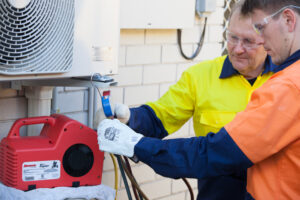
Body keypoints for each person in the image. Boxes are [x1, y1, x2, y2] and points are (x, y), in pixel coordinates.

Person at [98, 0, 300, 199]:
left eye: (250, 40)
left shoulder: (285, 85)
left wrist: (137, 146)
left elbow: (215, 151)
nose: (238, 49)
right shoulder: (201, 76)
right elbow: (161, 116)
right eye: (232, 38)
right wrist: (130, 120)